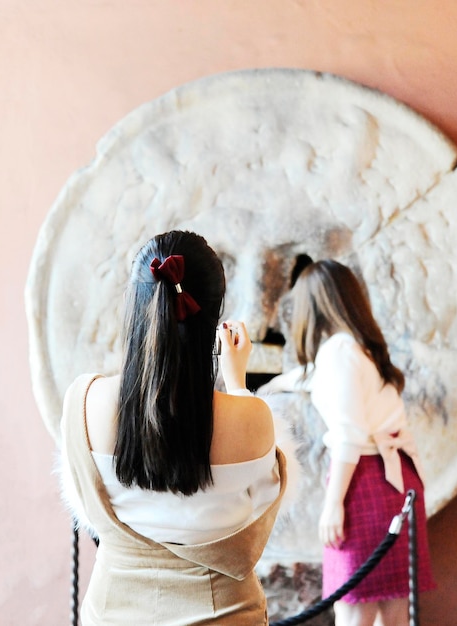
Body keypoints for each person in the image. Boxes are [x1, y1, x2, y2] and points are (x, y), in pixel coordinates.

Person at [58, 230, 288, 625]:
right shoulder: (251, 420)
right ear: (214, 314)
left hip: (115, 613)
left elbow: (87, 506)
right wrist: (237, 383)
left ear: (135, 306)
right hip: (224, 614)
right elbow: (261, 508)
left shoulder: (84, 402)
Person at [286, 259, 436, 626]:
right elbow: (312, 380)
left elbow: (349, 436)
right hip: (397, 481)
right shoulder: (359, 349)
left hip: (366, 484)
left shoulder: (339, 352)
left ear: (313, 305)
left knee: (354, 611)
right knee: (393, 613)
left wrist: (333, 504)